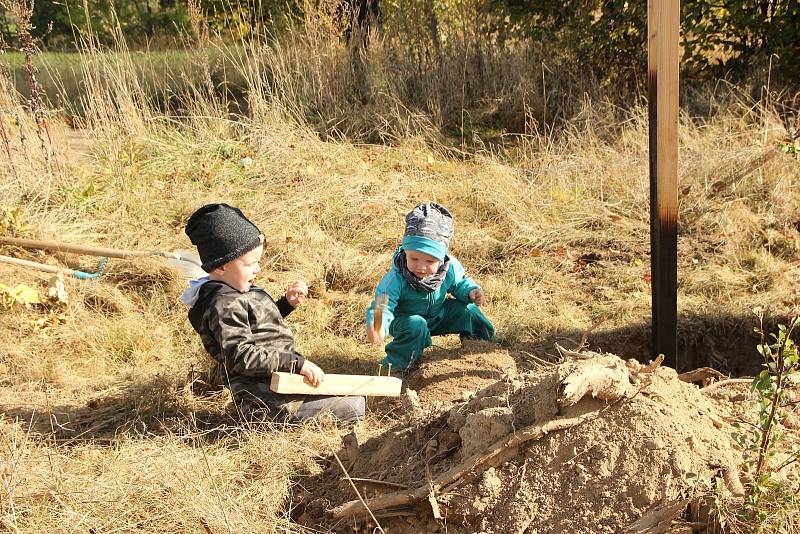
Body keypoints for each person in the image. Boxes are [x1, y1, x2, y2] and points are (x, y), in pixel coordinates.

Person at [182, 203, 365, 423]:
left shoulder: (236, 288)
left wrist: (285, 304)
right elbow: (242, 356)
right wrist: (296, 363)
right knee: (355, 405)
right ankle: (259, 418)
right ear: (220, 267)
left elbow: (255, 325)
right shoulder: (224, 303)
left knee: (352, 393)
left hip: (282, 385)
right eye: (250, 264)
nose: (257, 269)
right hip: (265, 400)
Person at [365, 202, 494, 371]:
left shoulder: (449, 268)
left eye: (430, 261)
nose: (421, 266)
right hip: (406, 321)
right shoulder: (395, 279)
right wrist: (377, 325)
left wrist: (470, 291)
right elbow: (382, 304)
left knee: (469, 311)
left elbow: (460, 282)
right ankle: (396, 367)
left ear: (441, 258)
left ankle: (482, 348)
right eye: (414, 259)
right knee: (416, 324)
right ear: (405, 252)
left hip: (438, 314)